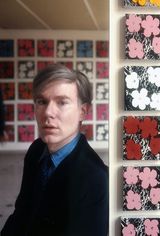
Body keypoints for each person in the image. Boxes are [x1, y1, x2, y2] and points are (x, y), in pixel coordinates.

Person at [1, 64, 109, 236]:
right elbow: (21, 214)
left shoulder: (97, 179)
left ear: (83, 111)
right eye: (42, 102)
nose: (48, 112)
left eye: (62, 102)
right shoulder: (36, 150)